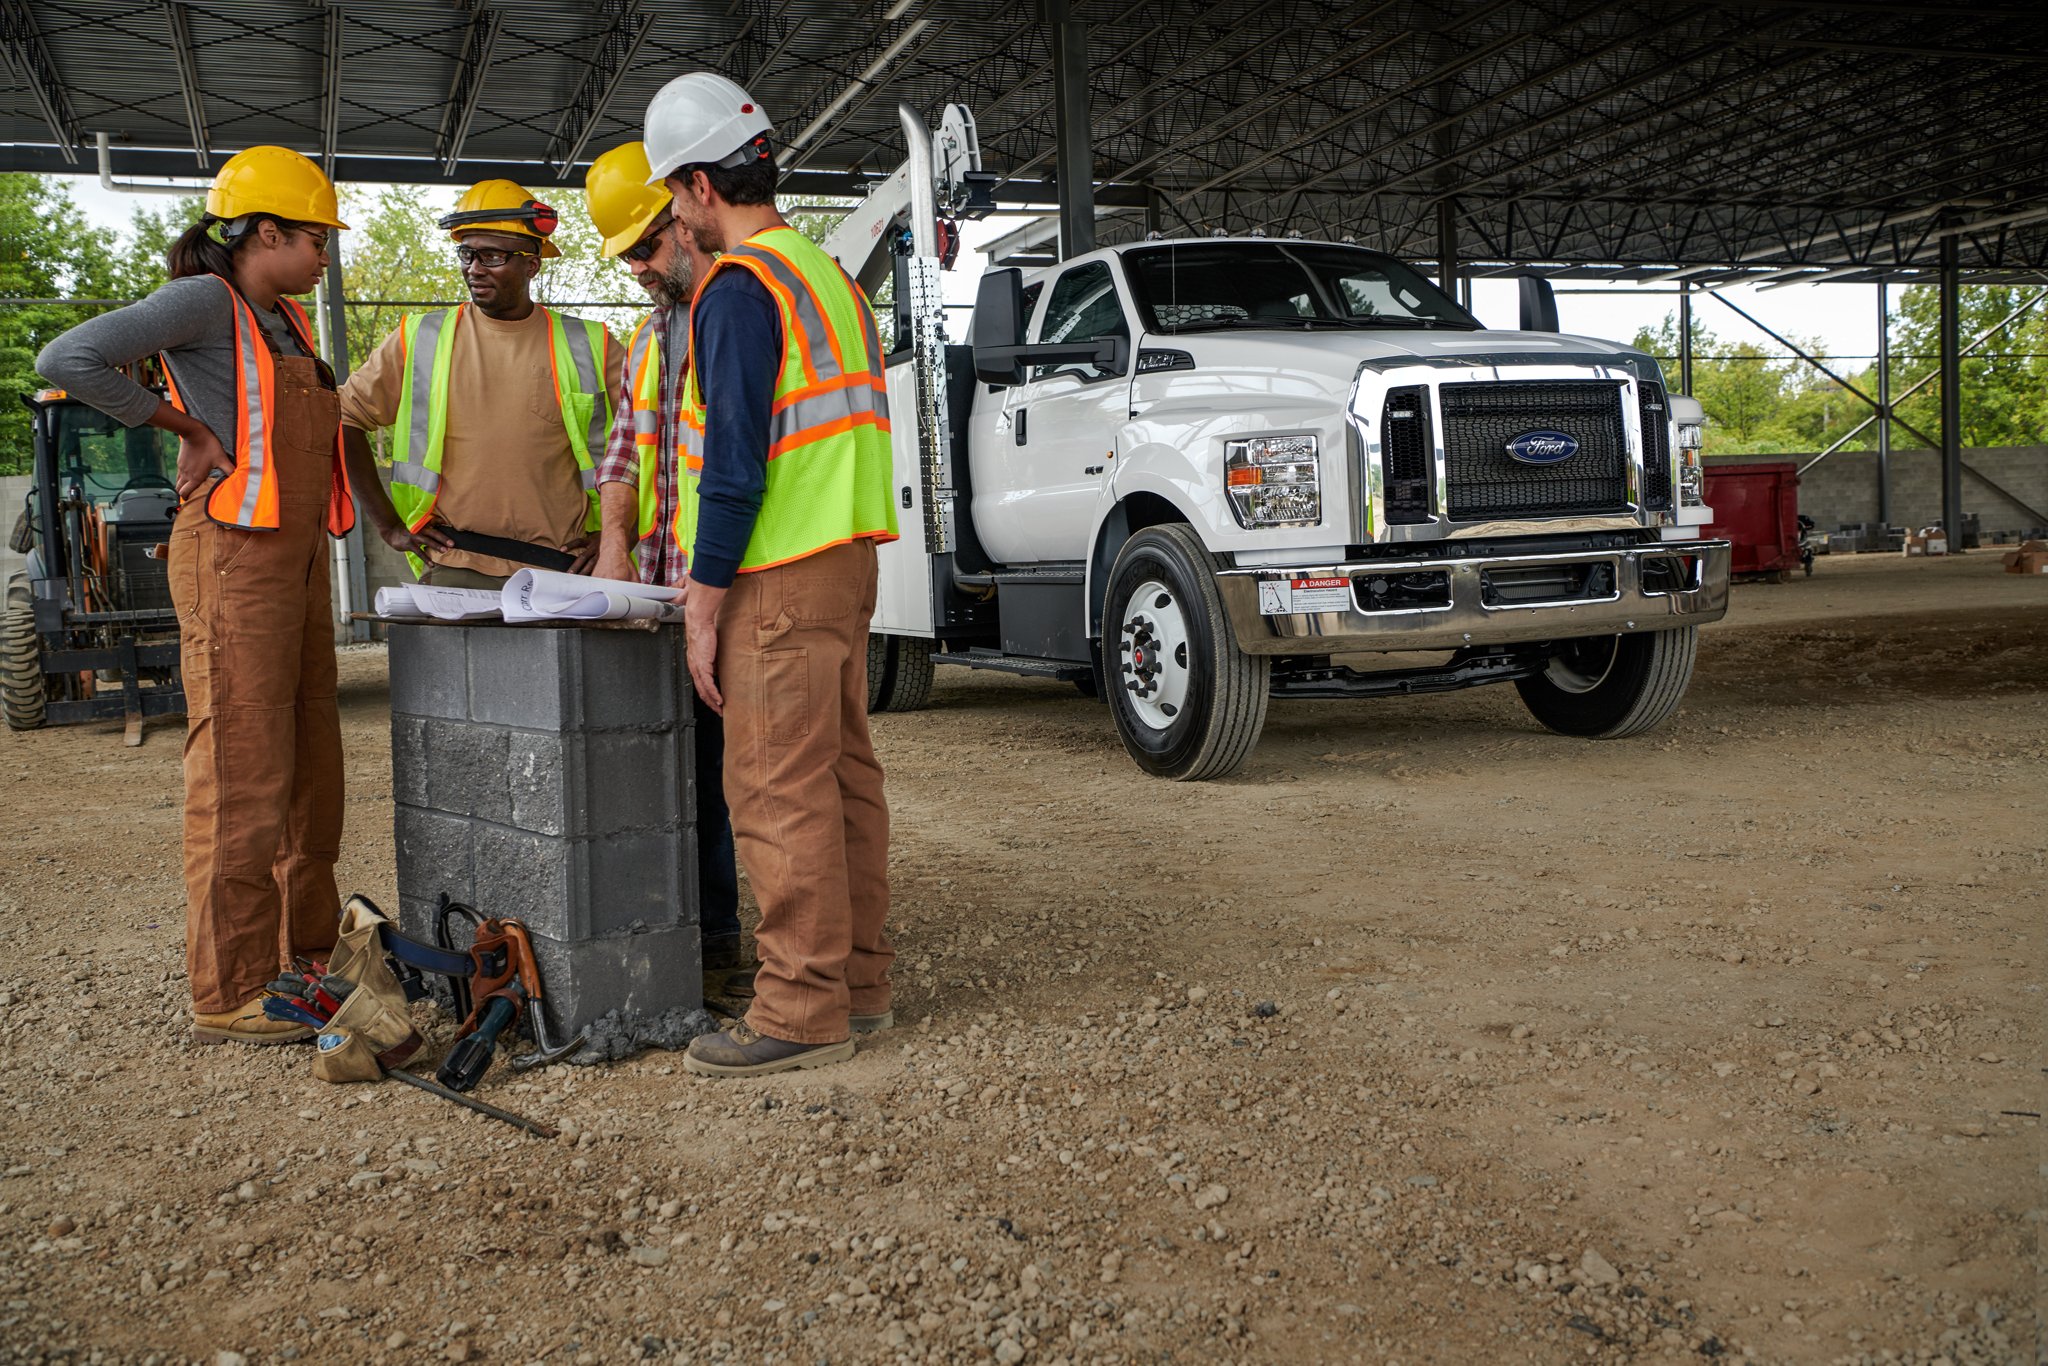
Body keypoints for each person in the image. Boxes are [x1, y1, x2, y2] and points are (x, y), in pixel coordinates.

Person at [35, 146, 357, 1044]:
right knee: (242, 763)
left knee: (310, 752)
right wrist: (181, 426)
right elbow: (70, 354)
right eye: (315, 238)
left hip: (293, 560)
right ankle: (230, 986)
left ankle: (308, 956)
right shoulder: (206, 301)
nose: (325, 254)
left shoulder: (282, 316)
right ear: (265, 232)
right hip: (232, 557)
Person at [642, 72, 900, 1077]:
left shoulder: (741, 289)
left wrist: (704, 601)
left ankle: (797, 1008)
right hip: (841, 565)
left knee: (773, 787)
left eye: (672, 190)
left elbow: (738, 464)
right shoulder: (824, 276)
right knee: (840, 785)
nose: (670, 211)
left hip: (776, 574)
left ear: (704, 185)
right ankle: (857, 986)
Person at [582, 140, 749, 1011]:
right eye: (630, 259)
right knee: (675, 772)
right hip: (660, 592)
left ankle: (723, 940)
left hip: (726, 589)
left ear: (685, 217)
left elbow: (738, 466)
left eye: (648, 247)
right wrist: (614, 554)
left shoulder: (742, 310)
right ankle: (689, 930)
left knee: (731, 777)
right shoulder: (651, 339)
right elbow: (621, 458)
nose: (641, 270)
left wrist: (711, 591)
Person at [338, 179, 623, 587]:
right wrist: (388, 525)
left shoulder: (591, 345)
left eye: (491, 256)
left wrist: (615, 536)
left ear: (532, 264)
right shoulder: (420, 338)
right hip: (456, 565)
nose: (473, 268)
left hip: (565, 569)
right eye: (467, 253)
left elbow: (646, 445)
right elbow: (343, 418)